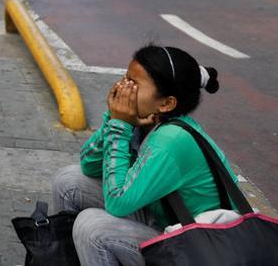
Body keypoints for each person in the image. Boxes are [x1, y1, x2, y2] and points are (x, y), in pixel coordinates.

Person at [50, 44, 231, 266]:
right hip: (163, 223)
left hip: (197, 249)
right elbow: (89, 165)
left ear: (166, 103)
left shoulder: (172, 140)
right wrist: (113, 119)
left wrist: (119, 125)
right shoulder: (148, 119)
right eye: (126, 78)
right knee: (69, 180)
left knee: (92, 228)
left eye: (134, 84)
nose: (123, 87)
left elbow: (118, 203)